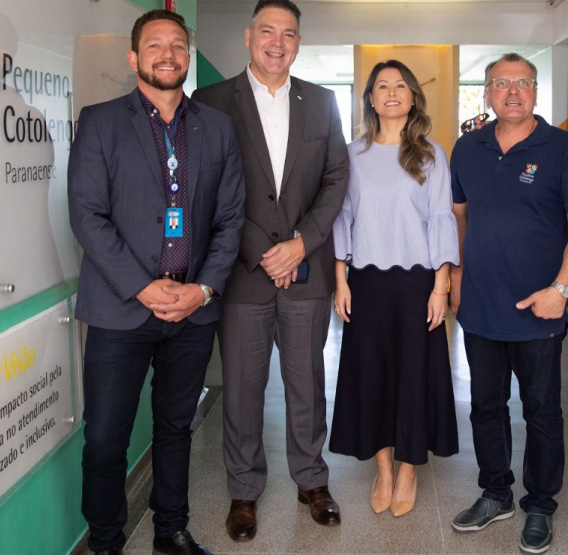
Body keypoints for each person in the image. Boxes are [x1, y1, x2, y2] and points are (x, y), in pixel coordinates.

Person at [68, 10, 245, 555]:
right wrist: (143, 287)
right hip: (121, 309)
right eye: (154, 45)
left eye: (177, 44)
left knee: (175, 427)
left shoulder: (215, 127)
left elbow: (230, 218)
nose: (167, 54)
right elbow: (86, 215)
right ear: (134, 57)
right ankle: (105, 542)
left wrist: (204, 289)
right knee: (104, 439)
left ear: (187, 57)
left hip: (192, 310)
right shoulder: (100, 122)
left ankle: (170, 529)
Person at [191, 0, 350, 542]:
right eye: (267, 31)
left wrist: (301, 244)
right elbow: (208, 189)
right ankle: (243, 490)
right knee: (241, 388)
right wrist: (267, 251)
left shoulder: (323, 102)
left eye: (289, 33)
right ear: (247, 36)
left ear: (299, 42)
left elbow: (336, 181)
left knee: (307, 384)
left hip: (306, 271)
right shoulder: (210, 101)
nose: (277, 41)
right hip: (242, 273)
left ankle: (312, 479)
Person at [449, 52, 568, 554]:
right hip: (481, 306)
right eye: (501, 83)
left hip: (541, 310)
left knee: (541, 411)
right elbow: (460, 219)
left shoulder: (563, 149)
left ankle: (540, 505)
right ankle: (495, 493)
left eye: (523, 82)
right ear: (486, 93)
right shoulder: (467, 147)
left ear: (535, 90)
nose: (512, 91)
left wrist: (561, 291)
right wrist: (459, 276)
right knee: (485, 406)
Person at [328, 59, 459, 518]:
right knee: (371, 375)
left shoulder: (430, 154)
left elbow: (442, 219)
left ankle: (408, 468)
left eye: (400, 85)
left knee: (413, 376)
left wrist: (441, 286)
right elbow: (342, 218)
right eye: (381, 85)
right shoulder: (352, 153)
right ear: (369, 98)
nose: (390, 92)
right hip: (364, 282)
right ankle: (382, 466)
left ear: (411, 97)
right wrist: (340, 280)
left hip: (416, 283)